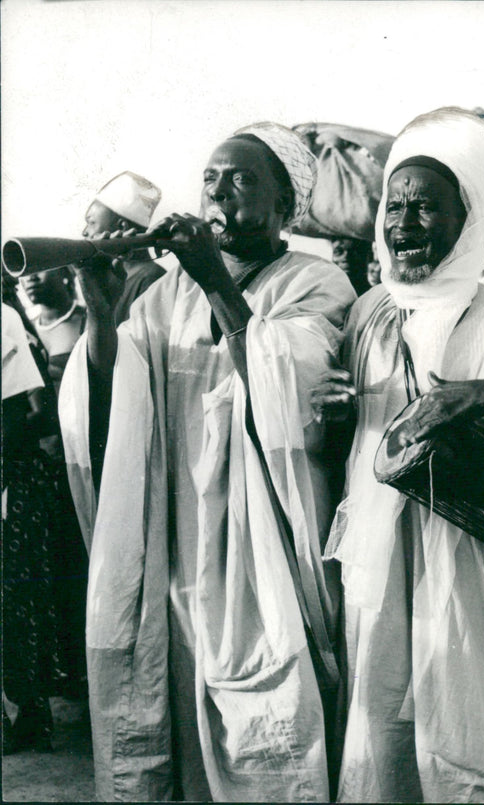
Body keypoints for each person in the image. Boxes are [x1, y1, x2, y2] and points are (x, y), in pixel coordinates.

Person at [59, 123, 357, 801]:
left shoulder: (318, 282)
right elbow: (113, 402)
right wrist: (103, 317)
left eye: (242, 180)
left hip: (263, 550)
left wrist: (215, 278)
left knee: (267, 717)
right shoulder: (167, 295)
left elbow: (289, 389)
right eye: (212, 179)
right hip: (177, 536)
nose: (220, 193)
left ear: (286, 204)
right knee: (179, 720)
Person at [313, 108, 484, 803]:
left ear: (466, 219)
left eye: (426, 207)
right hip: (381, 563)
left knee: (475, 736)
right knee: (384, 735)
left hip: (480, 564)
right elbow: (345, 450)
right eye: (395, 205)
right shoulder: (369, 313)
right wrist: (336, 417)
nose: (405, 223)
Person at [2, 301, 59, 753]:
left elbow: (27, 410)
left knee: (16, 598)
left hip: (13, 473)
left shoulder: (5, 320)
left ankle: (29, 712)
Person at [81, 171, 165, 325]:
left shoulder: (151, 278)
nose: (85, 232)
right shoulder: (108, 275)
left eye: (92, 222)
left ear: (122, 228)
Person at [20, 268, 86, 393]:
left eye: (39, 267)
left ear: (65, 272)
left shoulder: (88, 320)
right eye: (24, 273)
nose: (30, 277)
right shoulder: (26, 330)